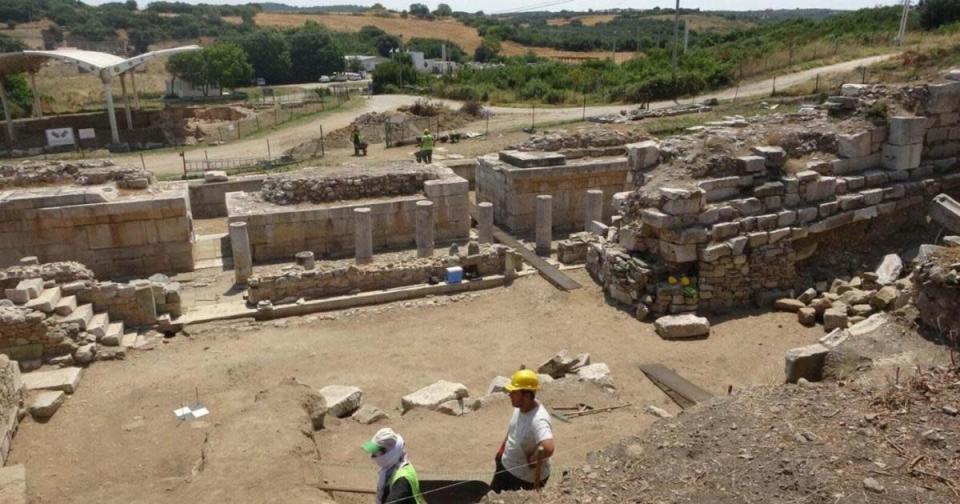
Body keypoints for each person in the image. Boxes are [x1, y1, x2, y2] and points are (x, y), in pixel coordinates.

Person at [490, 368, 555, 493]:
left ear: (526, 395)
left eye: (514, 392)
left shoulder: (538, 419)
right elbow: (513, 429)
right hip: (506, 468)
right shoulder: (521, 407)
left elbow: (548, 447)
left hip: (521, 479)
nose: (510, 394)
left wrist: (533, 459)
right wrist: (501, 452)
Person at [363, 428, 424, 504]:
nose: (372, 456)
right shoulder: (396, 465)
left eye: (375, 453)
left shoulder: (401, 481)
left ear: (389, 453)